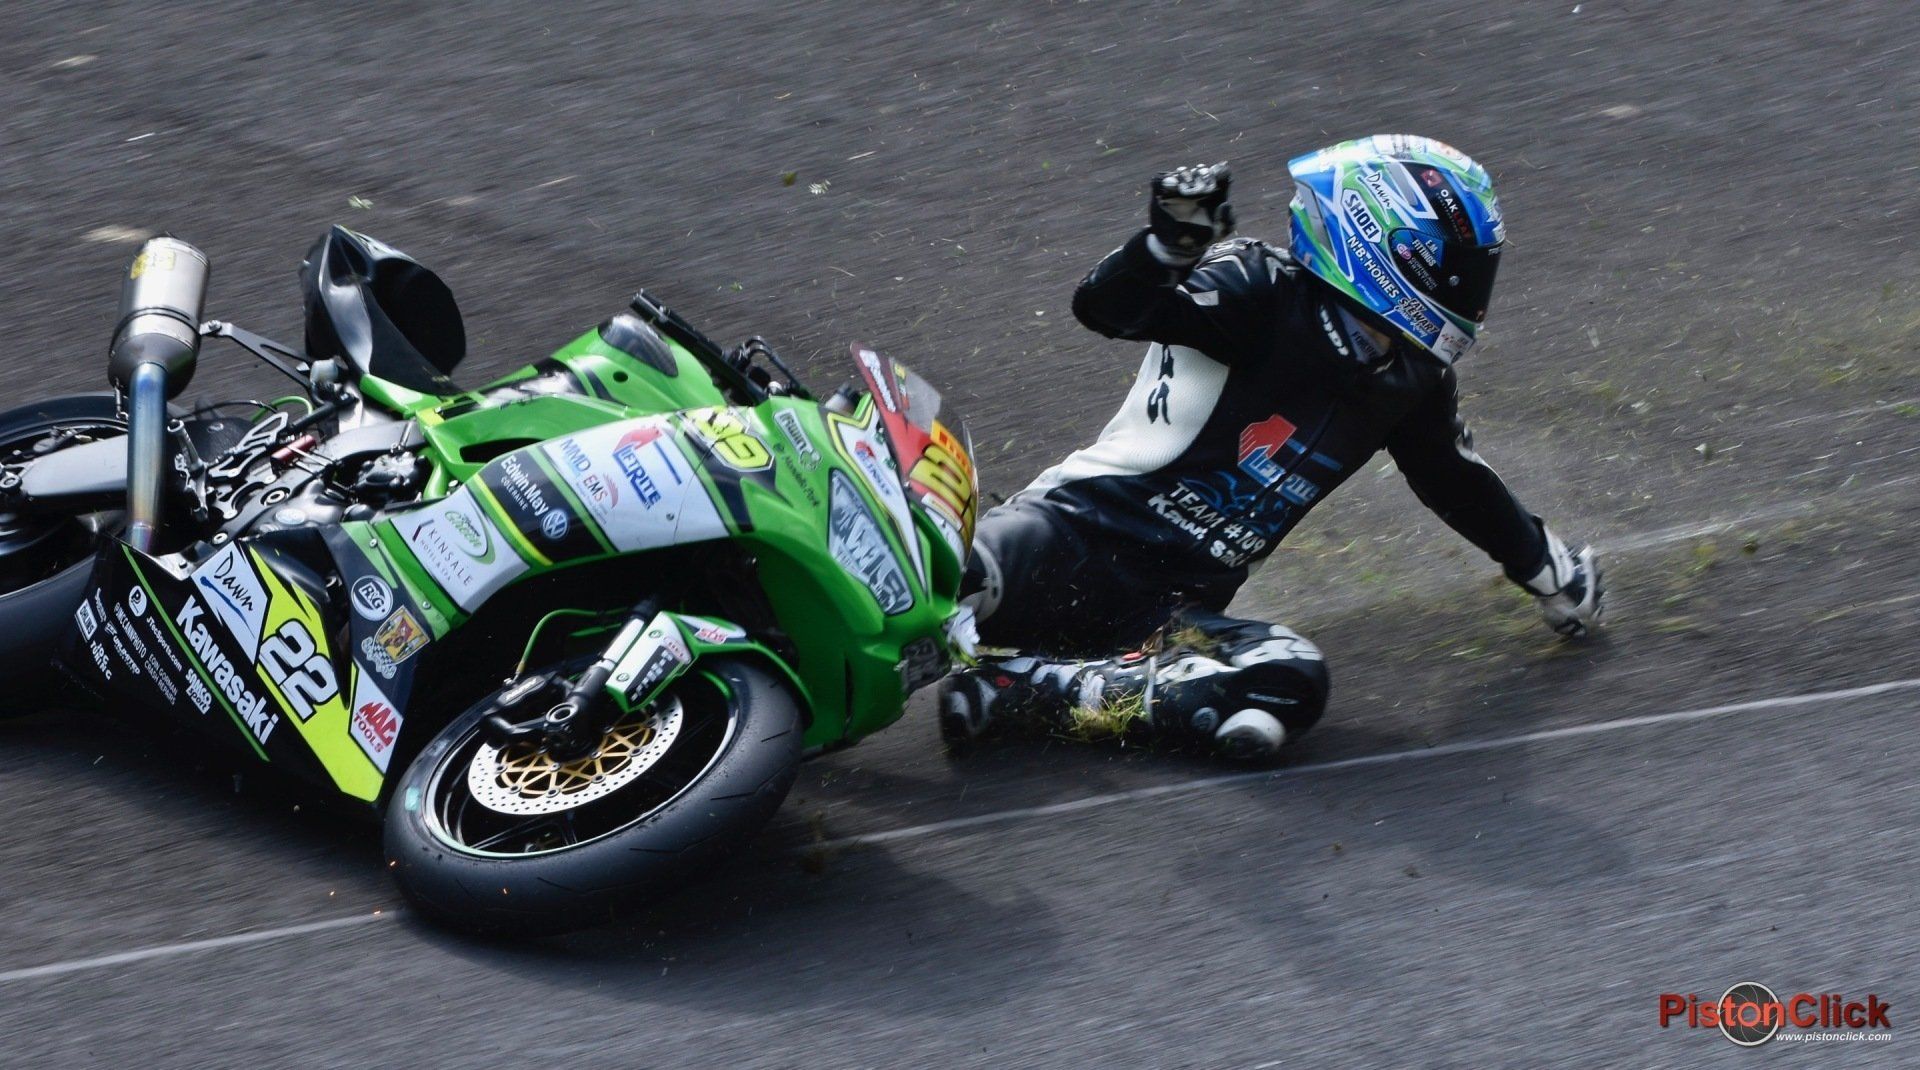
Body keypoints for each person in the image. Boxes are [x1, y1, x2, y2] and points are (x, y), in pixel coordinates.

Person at [937, 134, 1603, 762]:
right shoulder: (1257, 285)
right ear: (1383, 242)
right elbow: (1106, 309)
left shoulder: (1415, 379)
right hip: (1063, 539)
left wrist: (1551, 570)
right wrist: (1164, 251)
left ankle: (1023, 691)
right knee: (945, 571)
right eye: (1454, 268)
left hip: (1170, 613)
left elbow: (1456, 482)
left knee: (1288, 680)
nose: (1468, 293)